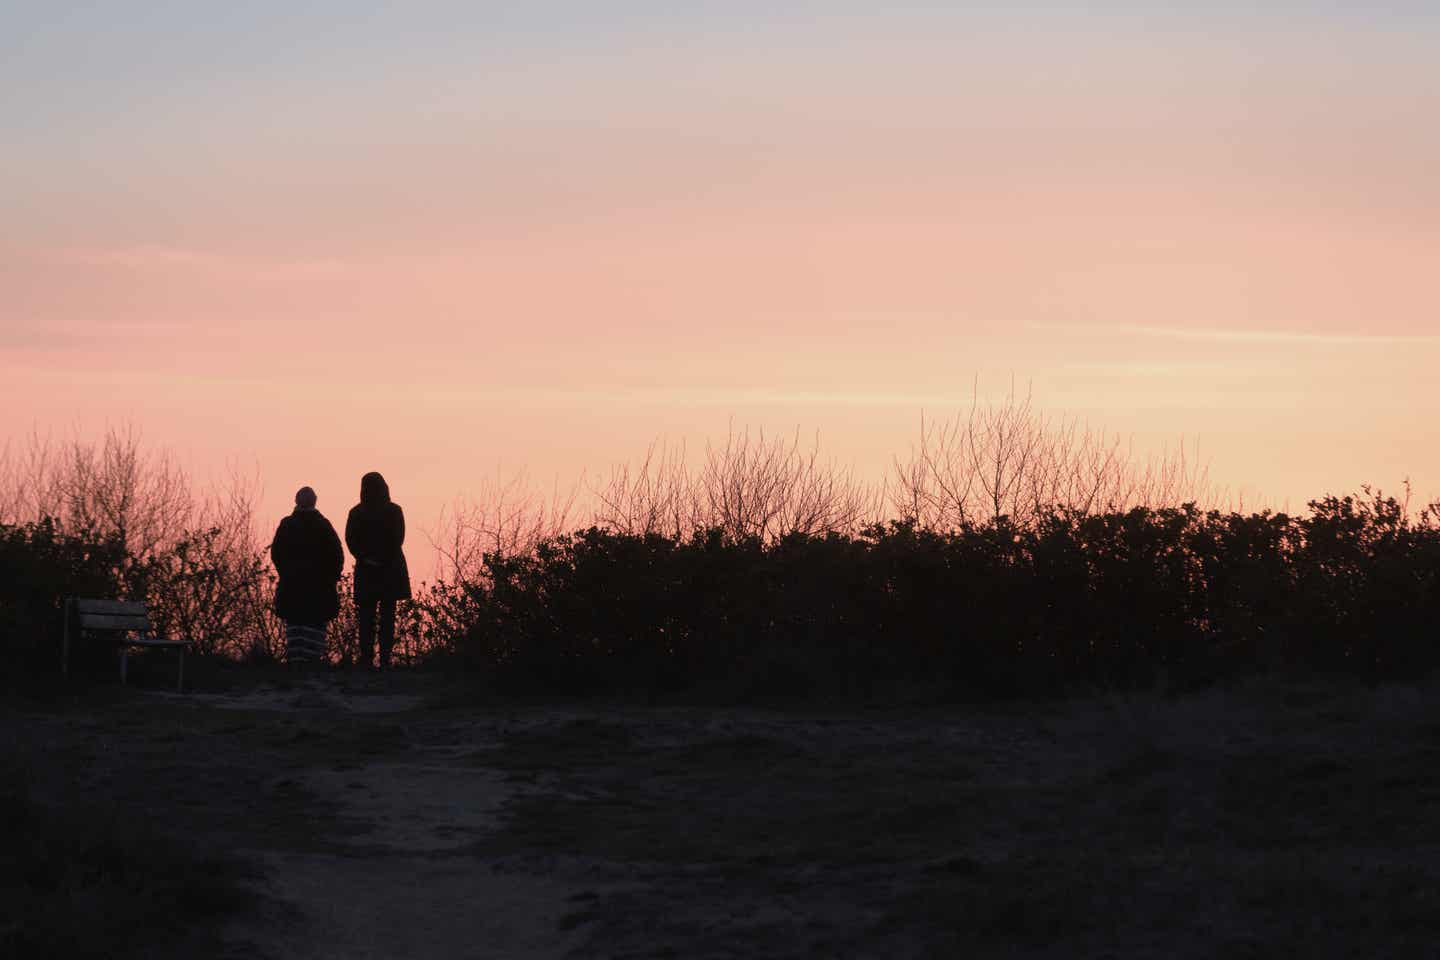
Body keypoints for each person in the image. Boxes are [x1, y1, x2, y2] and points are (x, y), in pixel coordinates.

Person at [270, 486, 344, 666]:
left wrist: (287, 573)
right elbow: (337, 556)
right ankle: (312, 661)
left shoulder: (287, 524)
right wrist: (330, 578)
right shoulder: (323, 525)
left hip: (293, 585)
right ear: (315, 501)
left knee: (295, 624)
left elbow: (276, 553)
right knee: (315, 623)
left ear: (296, 501)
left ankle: (296, 662)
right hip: (319, 586)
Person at [345, 471, 411, 669]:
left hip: (368, 570)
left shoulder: (356, 512)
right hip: (390, 569)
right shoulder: (394, 510)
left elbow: (351, 541)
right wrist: (381, 558)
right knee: (386, 616)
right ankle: (384, 659)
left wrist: (366, 558)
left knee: (367, 617)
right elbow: (398, 538)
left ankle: (367, 659)